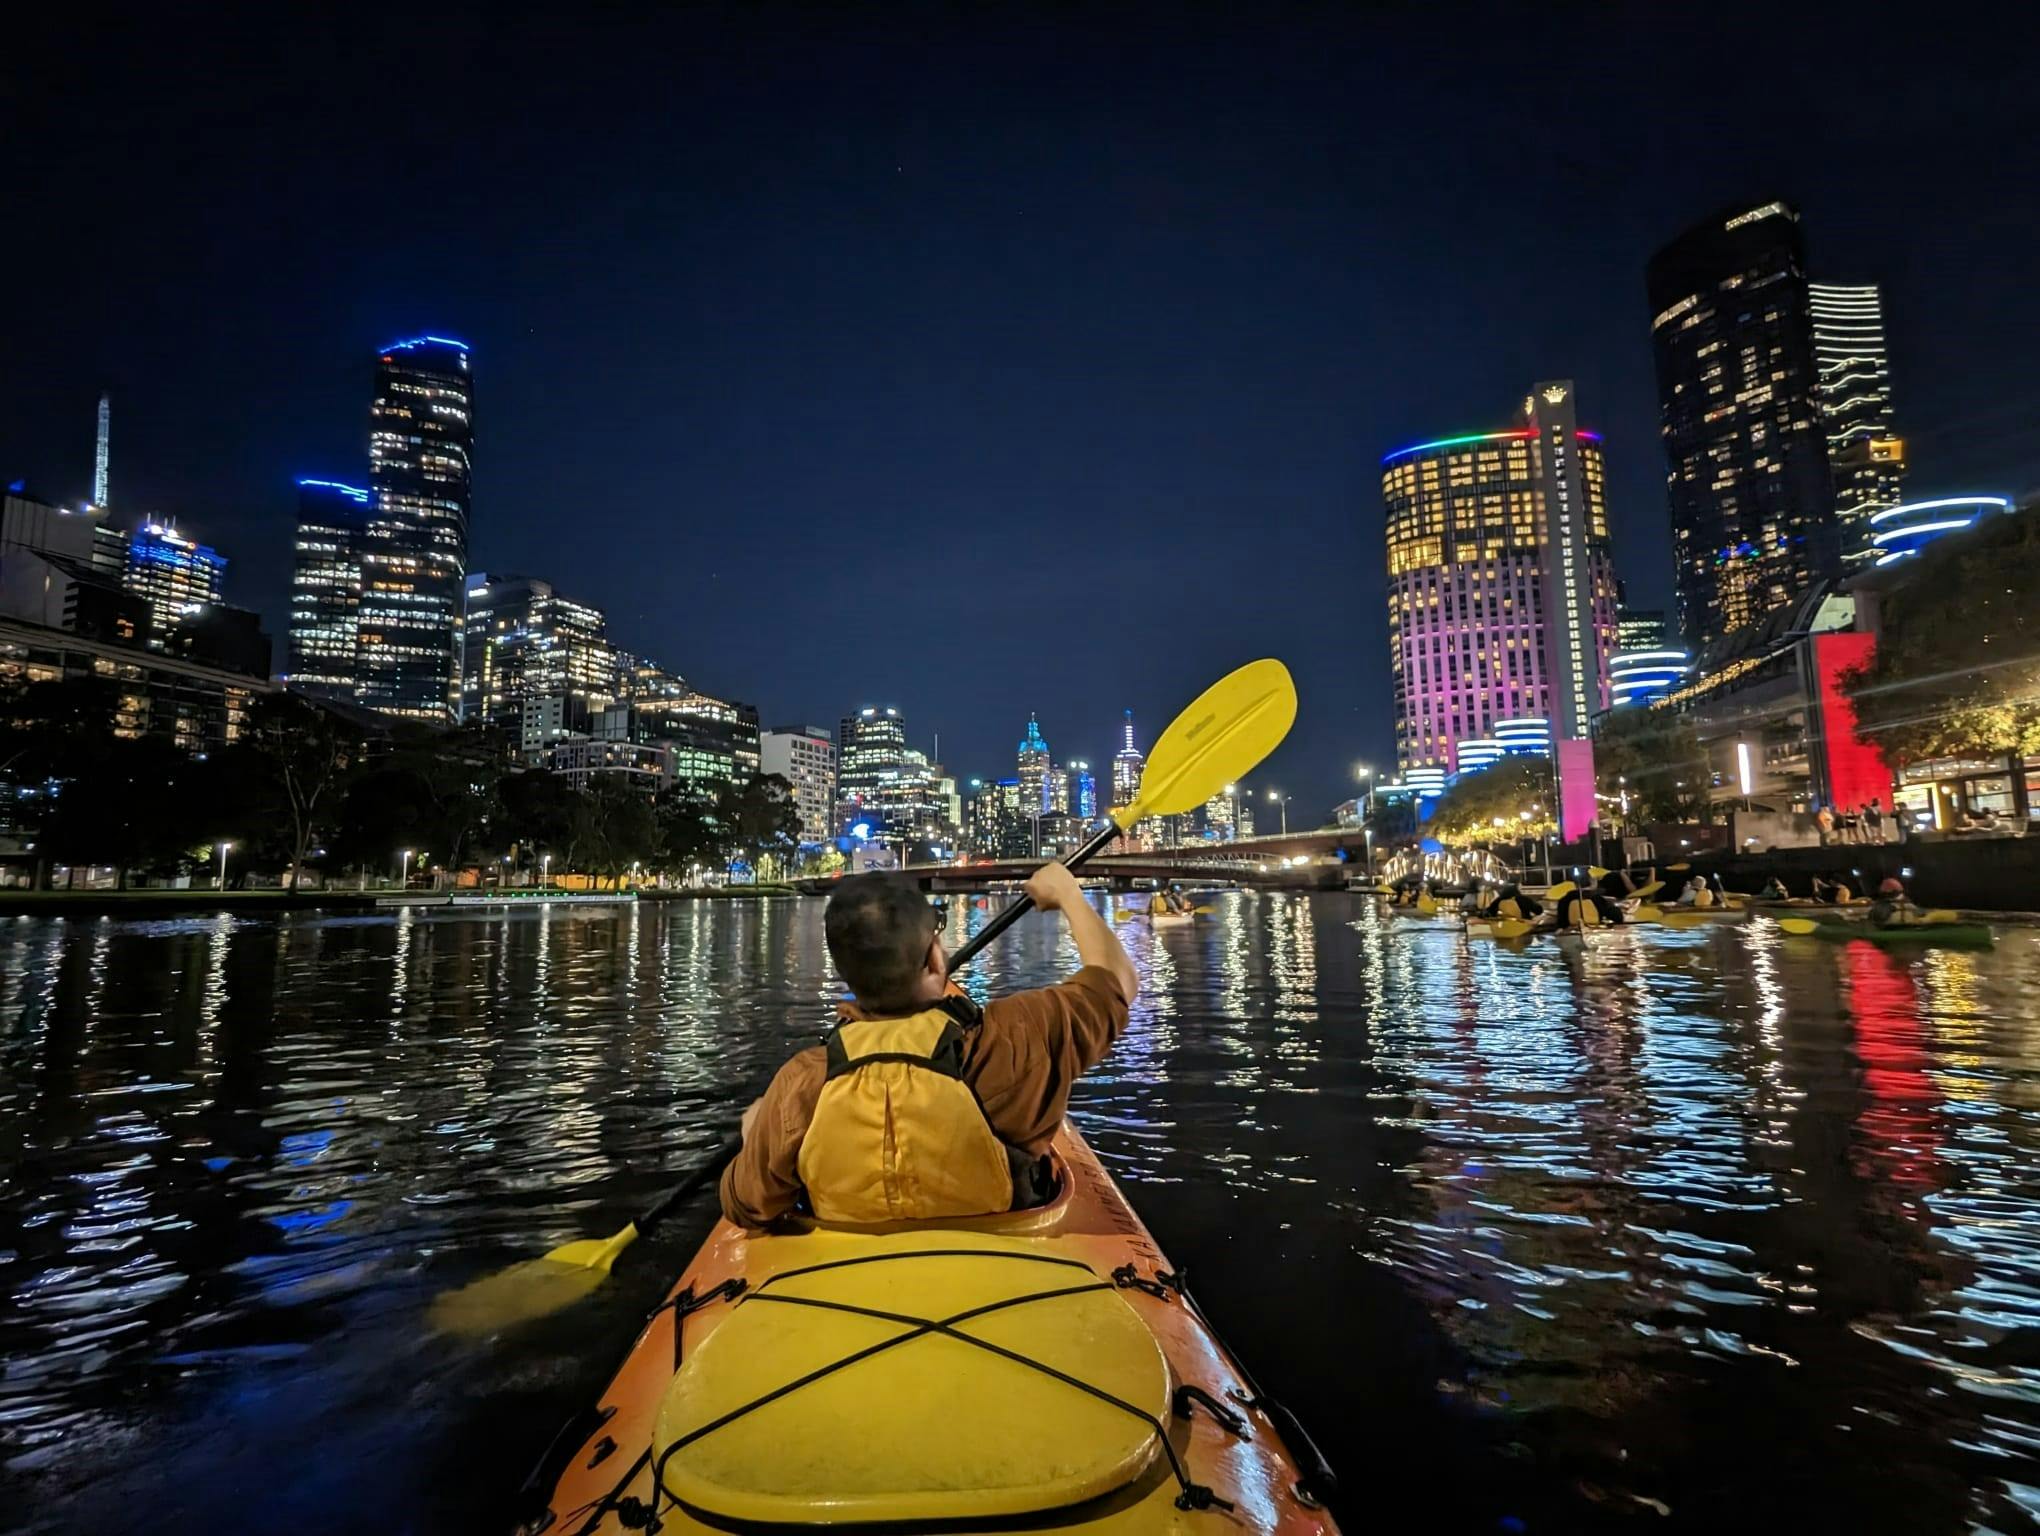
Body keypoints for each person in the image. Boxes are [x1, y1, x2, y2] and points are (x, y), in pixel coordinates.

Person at [720, 867, 1137, 1228]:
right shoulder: (1020, 1034)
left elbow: (745, 1206)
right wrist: (1068, 893)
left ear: (845, 971)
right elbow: (1117, 981)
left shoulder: (803, 1080)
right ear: (936, 960)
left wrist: (757, 1131)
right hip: (1004, 1255)